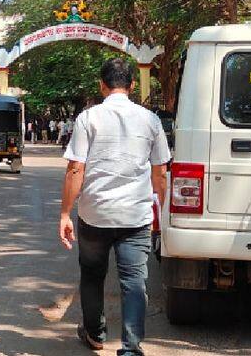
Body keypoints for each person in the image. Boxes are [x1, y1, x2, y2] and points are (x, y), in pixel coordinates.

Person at [59, 58, 170, 356]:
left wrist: (65, 213)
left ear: (102, 85)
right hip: (136, 216)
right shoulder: (151, 120)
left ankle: (95, 335)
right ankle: (131, 348)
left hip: (94, 214)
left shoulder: (88, 118)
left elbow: (75, 169)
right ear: (132, 85)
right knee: (134, 280)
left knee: (92, 274)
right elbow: (160, 174)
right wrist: (164, 210)